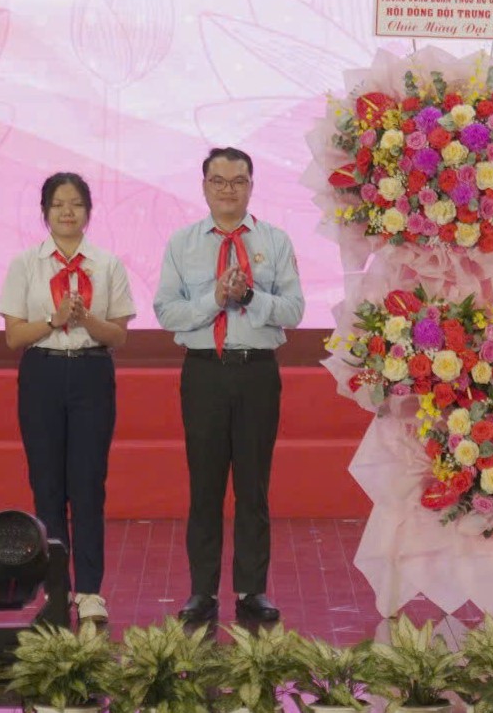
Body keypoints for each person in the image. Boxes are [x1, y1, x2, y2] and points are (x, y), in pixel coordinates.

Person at [152, 146, 304, 625]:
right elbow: (166, 311)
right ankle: (201, 591)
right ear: (204, 187)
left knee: (254, 488)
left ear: (251, 187)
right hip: (205, 372)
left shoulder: (275, 240)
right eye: (218, 181)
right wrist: (215, 298)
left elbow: (294, 310)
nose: (228, 190)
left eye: (238, 181)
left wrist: (250, 296)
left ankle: (251, 590)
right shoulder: (182, 243)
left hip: (257, 371)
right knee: (205, 486)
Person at [0, 172, 135, 629]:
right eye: (58, 204)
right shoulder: (26, 264)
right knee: (47, 486)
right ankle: (57, 589)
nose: (67, 212)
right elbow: (14, 336)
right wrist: (55, 320)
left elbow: (119, 335)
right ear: (45, 212)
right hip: (43, 372)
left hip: (92, 372)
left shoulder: (107, 264)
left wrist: (87, 319)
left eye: (76, 204)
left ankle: (90, 591)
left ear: (89, 212)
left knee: (89, 485)